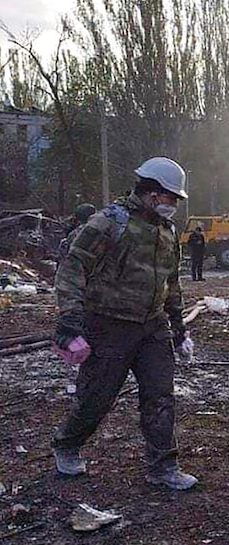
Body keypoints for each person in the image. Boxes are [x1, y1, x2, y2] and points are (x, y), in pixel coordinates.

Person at [51, 157, 197, 490]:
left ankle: (163, 466)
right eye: (170, 197)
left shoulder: (167, 231)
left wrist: (178, 327)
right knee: (97, 398)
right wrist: (70, 320)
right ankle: (67, 444)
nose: (173, 204)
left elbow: (171, 282)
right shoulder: (108, 223)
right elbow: (73, 268)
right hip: (108, 326)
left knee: (160, 397)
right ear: (151, 192)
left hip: (152, 326)